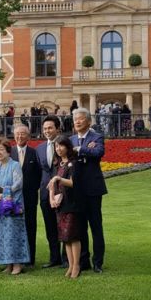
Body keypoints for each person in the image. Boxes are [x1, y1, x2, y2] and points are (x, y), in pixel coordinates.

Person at [71, 108, 107, 273]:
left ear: (88, 122)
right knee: (80, 227)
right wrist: (86, 149)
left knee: (96, 226)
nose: (77, 122)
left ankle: (98, 262)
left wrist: (80, 149)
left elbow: (98, 152)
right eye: (75, 119)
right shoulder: (70, 139)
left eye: (81, 119)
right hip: (76, 190)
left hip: (93, 189)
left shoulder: (97, 137)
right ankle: (83, 261)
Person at [0, 138, 29, 275]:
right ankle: (8, 264)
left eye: (1, 150)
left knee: (14, 234)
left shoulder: (15, 165)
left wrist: (5, 194)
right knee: (2, 236)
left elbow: (18, 184)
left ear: (8, 151)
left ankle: (18, 263)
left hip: (12, 206)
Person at [48, 136, 81, 278]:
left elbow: (73, 183)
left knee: (73, 235)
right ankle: (70, 264)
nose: (58, 149)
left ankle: (76, 266)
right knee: (65, 237)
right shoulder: (58, 164)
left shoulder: (73, 164)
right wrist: (51, 199)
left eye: (61, 146)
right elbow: (51, 185)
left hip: (71, 203)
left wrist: (59, 179)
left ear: (67, 146)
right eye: (56, 146)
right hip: (59, 204)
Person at [36, 115, 64, 269]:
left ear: (57, 129)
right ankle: (55, 258)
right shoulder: (39, 148)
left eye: (50, 128)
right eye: (45, 128)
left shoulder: (64, 144)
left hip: (62, 192)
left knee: (65, 225)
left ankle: (67, 259)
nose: (47, 131)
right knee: (50, 227)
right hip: (45, 194)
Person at [11, 124, 41, 267]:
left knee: (30, 227)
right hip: (12, 199)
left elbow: (39, 175)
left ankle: (30, 259)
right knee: (13, 227)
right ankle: (14, 258)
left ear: (28, 136)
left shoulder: (34, 153)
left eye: (23, 134)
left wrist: (33, 190)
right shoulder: (9, 153)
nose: (20, 136)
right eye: (17, 134)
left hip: (29, 198)